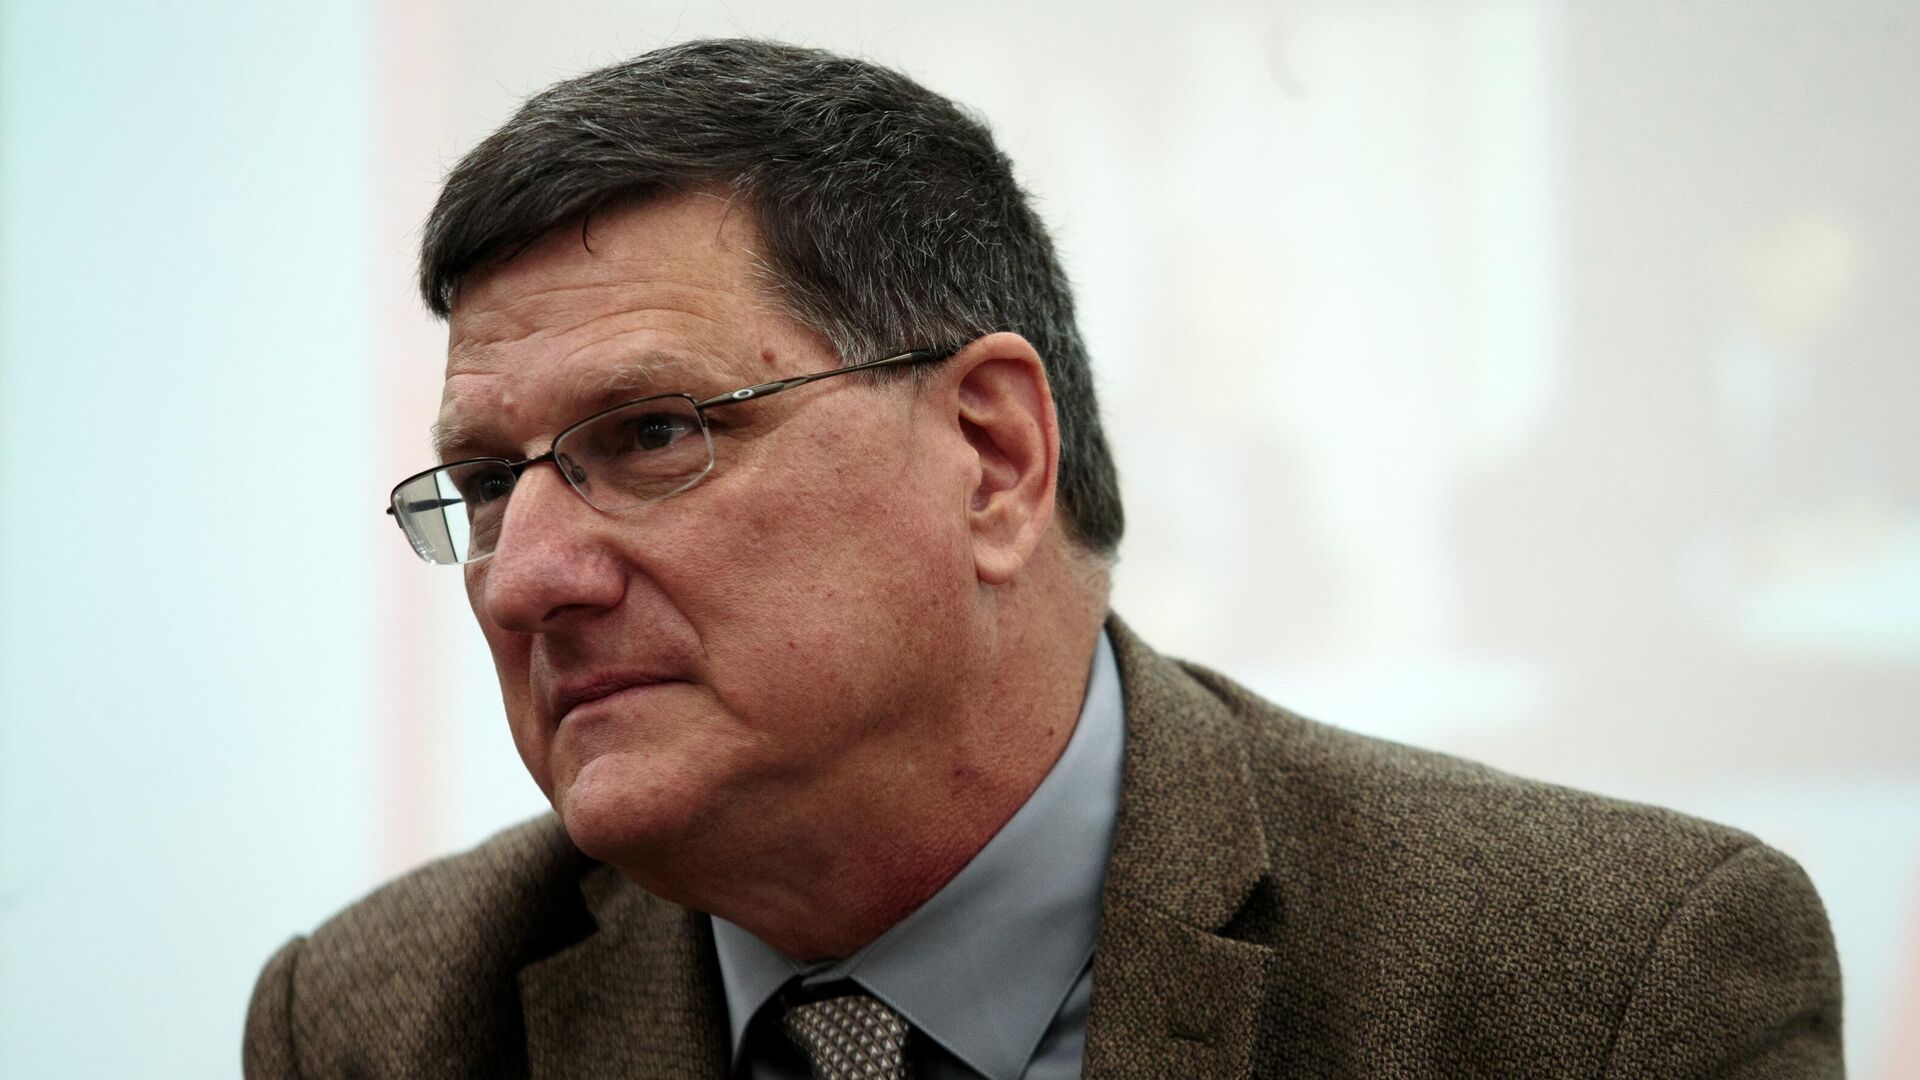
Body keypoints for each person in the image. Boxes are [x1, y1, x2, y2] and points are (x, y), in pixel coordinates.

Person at [244, 38, 1842, 1079]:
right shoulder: (378, 1022)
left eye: (655, 434)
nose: (525, 577)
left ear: (995, 457)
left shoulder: (1607, 987)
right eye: (485, 486)